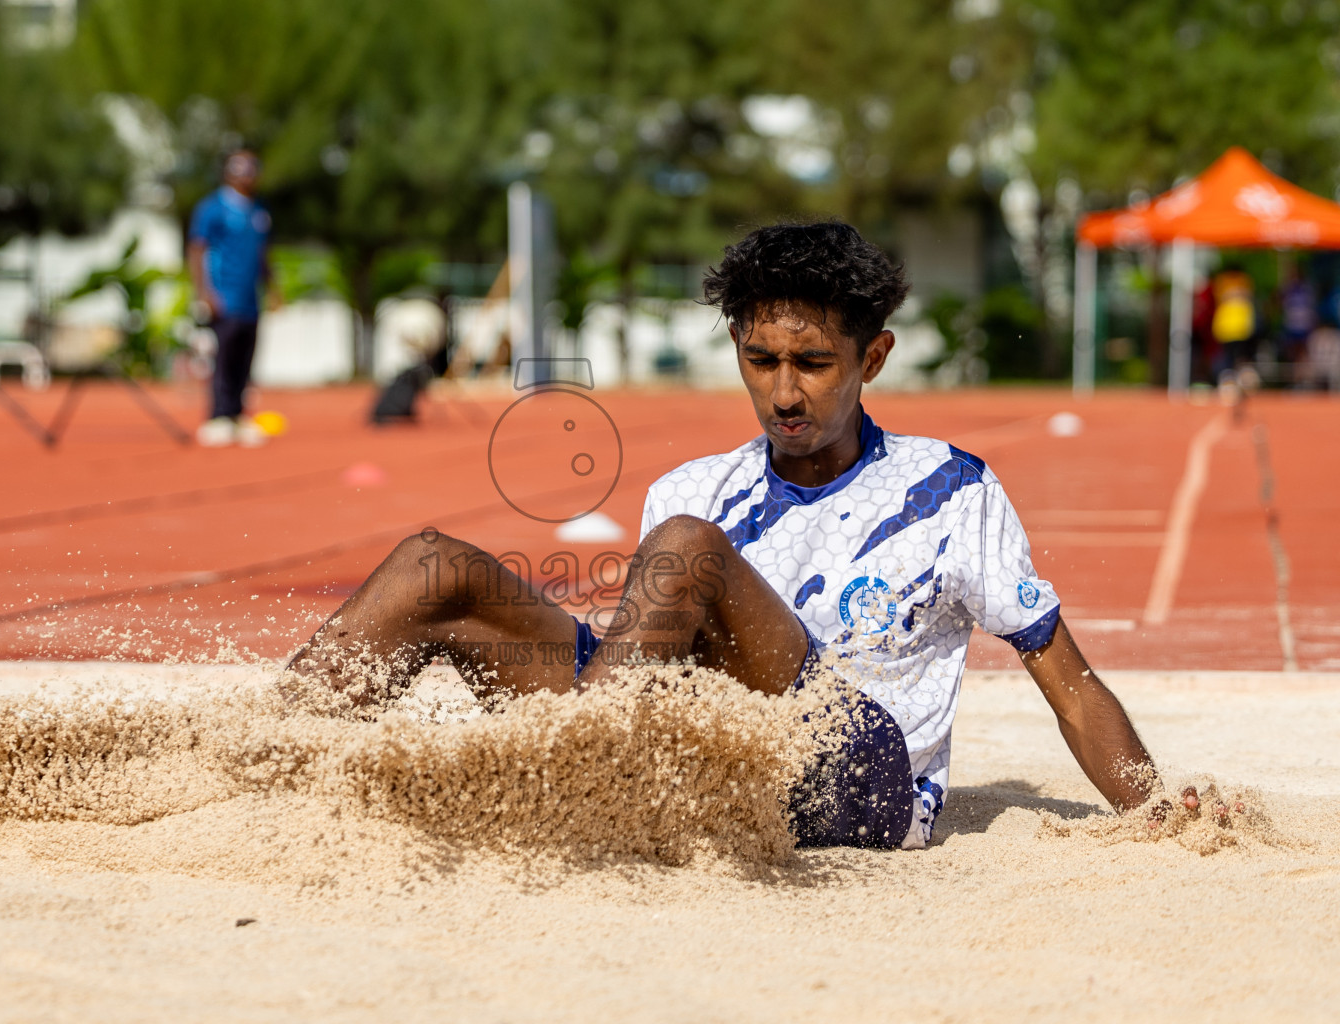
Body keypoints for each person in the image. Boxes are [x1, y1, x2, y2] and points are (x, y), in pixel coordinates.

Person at [283, 221, 1186, 850]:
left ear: (872, 358)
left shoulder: (951, 489)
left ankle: (567, 783)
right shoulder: (695, 484)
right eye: (762, 361)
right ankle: (253, 764)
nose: (784, 393)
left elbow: (1068, 683)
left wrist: (1161, 815)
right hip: (697, 757)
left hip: (860, 775)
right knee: (431, 565)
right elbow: (653, 672)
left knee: (687, 544)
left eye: (813, 364)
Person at [188, 150, 280, 447]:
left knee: (245, 358)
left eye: (252, 170)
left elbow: (262, 253)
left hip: (250, 298)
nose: (247, 176)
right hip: (223, 296)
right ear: (229, 173)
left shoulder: (258, 211)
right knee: (224, 358)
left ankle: (238, 416)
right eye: (241, 170)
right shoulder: (212, 208)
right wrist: (204, 292)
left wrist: (274, 288)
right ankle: (218, 417)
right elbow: (197, 249)